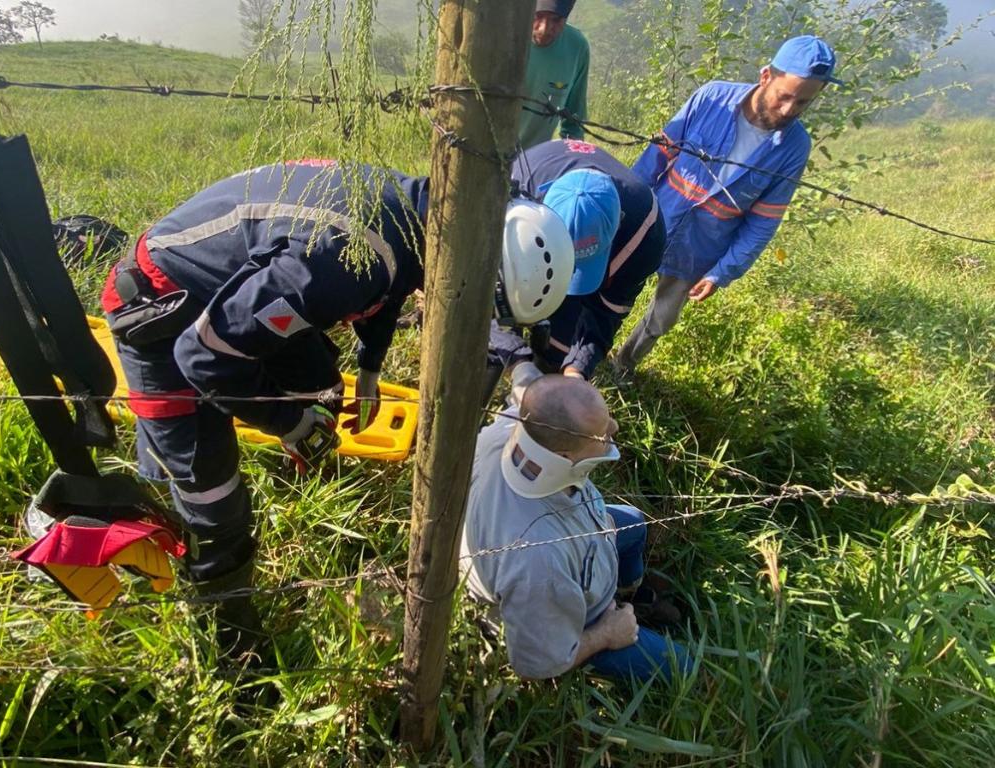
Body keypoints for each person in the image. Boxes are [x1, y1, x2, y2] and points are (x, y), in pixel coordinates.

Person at [100, 160, 575, 660]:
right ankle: (229, 639)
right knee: (209, 490)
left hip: (234, 288)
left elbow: (391, 281)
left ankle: (284, 476)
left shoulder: (424, 214)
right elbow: (201, 356)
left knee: (322, 387)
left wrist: (368, 369)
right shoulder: (334, 264)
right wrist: (287, 424)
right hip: (161, 306)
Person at [613, 35, 842, 373]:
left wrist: (723, 271)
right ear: (766, 76)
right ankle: (586, 347)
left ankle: (623, 365)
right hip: (655, 218)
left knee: (662, 318)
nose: (789, 110)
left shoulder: (794, 147)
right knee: (613, 284)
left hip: (701, 247)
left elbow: (763, 221)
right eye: (784, 96)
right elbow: (656, 157)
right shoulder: (712, 99)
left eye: (803, 103)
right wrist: (624, 209)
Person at [461, 363, 692, 682]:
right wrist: (606, 634)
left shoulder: (518, 427)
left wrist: (523, 366)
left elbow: (526, 380)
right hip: (556, 615)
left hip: (579, 547)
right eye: (603, 433)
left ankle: (631, 597)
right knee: (684, 667)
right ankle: (619, 621)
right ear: (565, 458)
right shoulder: (539, 562)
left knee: (635, 523)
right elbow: (535, 665)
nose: (615, 428)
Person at [489, 139, 665, 383]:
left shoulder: (645, 234)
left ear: (618, 223)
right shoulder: (511, 198)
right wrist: (518, 362)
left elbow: (605, 315)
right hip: (526, 238)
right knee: (503, 312)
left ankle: (548, 367)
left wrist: (576, 372)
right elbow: (486, 294)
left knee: (561, 341)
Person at [518, 0, 590, 150]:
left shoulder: (576, 48)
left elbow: (574, 120)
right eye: (537, 16)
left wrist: (571, 155)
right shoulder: (505, 37)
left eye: (556, 20)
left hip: (535, 159)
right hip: (483, 154)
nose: (544, 29)